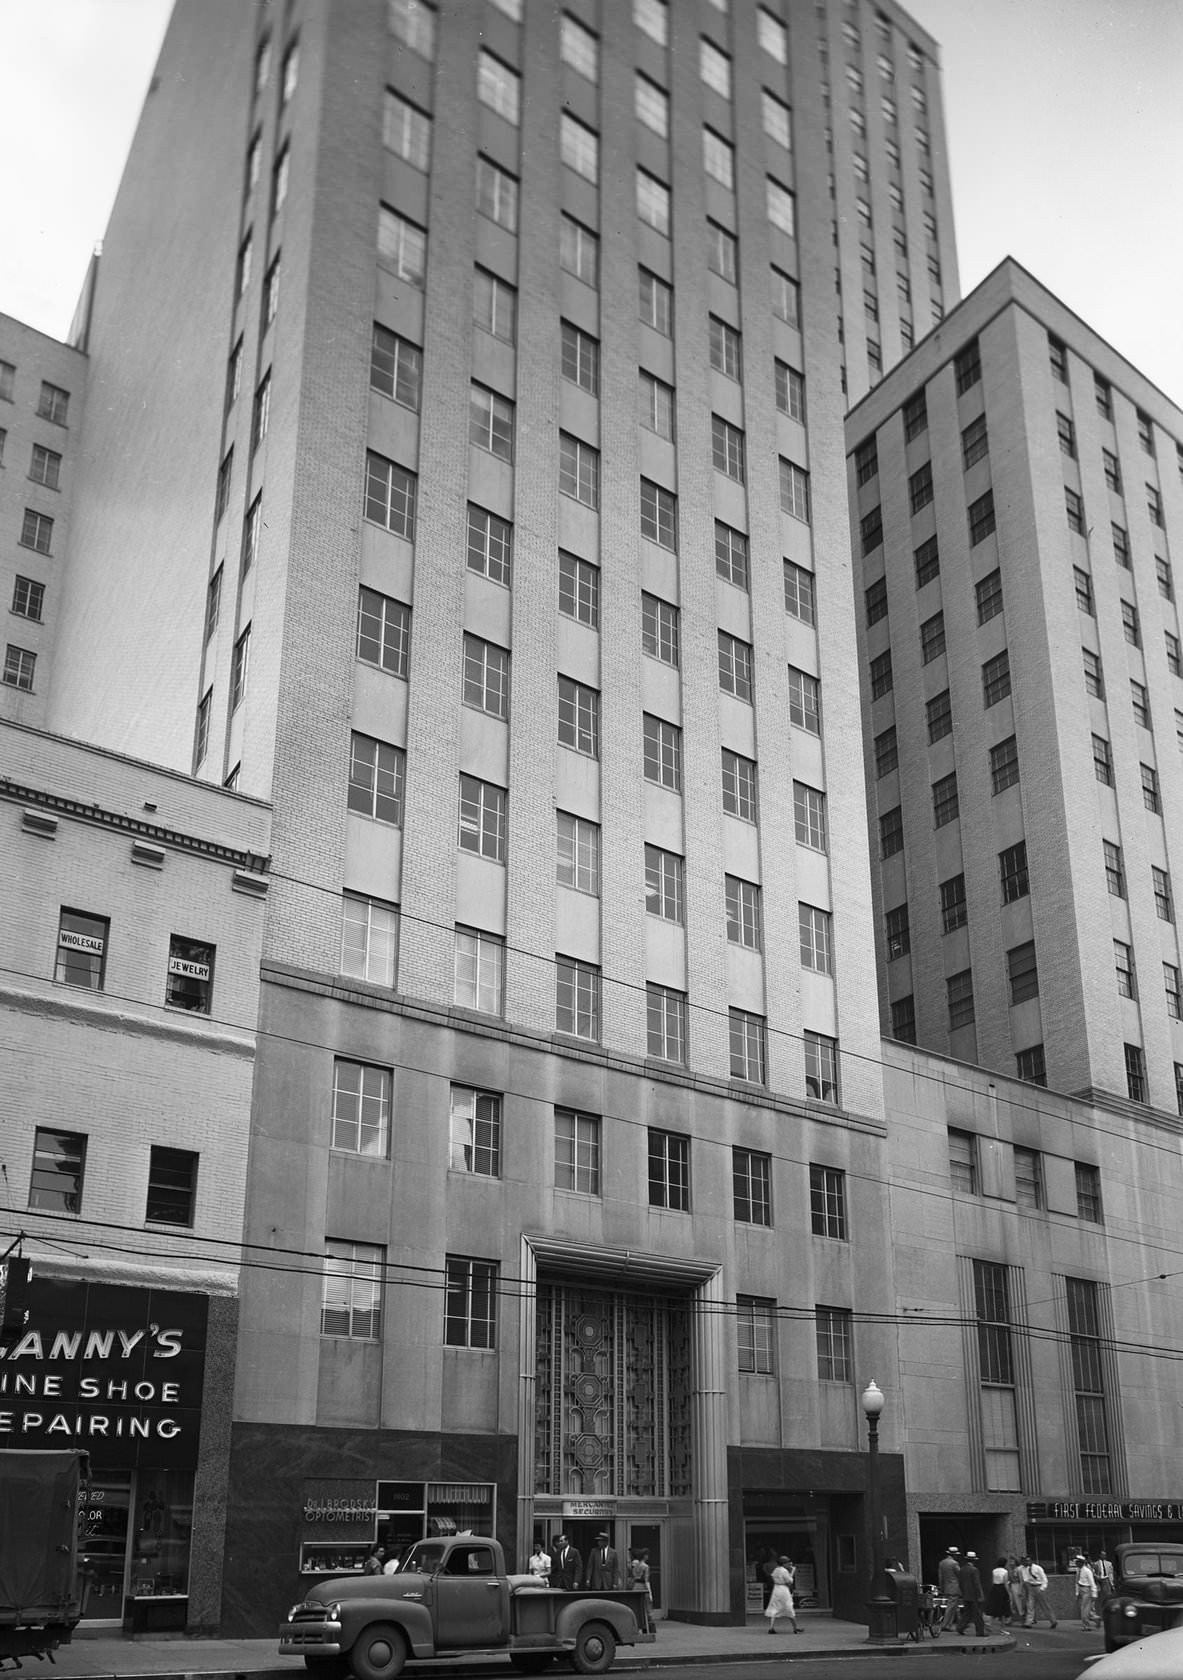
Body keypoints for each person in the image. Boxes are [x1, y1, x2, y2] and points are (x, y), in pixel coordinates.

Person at [764, 1556, 801, 1634]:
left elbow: (773, 1577)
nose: (789, 1564)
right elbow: (789, 1581)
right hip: (783, 1590)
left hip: (776, 1589)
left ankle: (771, 1627)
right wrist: (792, 1572)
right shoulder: (784, 1571)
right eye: (787, 1562)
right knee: (788, 1606)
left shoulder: (776, 1569)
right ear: (783, 1564)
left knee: (774, 1607)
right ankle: (795, 1627)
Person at [954, 1551, 985, 1637]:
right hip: (974, 1595)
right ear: (974, 1561)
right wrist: (980, 1595)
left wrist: (963, 1592)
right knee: (977, 1614)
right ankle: (980, 1631)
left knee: (967, 1613)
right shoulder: (974, 1570)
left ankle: (960, 1627)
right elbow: (977, 1584)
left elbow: (960, 1583)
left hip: (966, 1594)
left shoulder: (962, 1569)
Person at [1019, 1556, 1057, 1628]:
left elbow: (1044, 1579)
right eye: (1024, 1561)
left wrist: (1042, 1588)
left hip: (1038, 1586)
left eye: (1026, 1561)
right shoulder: (1023, 1569)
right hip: (1031, 1587)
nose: (1025, 1563)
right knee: (1030, 1605)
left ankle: (1053, 1621)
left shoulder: (1037, 1568)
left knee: (1045, 1605)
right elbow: (1025, 1579)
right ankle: (1028, 1622)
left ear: (1030, 1561)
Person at [629, 1549, 654, 1631]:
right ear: (645, 1556)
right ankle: (647, 1628)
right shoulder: (646, 1567)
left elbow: (633, 1577)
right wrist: (650, 1592)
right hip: (643, 1587)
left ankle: (635, 1627)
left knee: (637, 1607)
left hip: (635, 1587)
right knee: (646, 1608)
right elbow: (647, 1580)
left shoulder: (635, 1566)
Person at [937, 1547, 961, 1630]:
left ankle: (957, 1624)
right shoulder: (954, 1563)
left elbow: (940, 1577)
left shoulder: (942, 1563)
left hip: (946, 1587)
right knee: (951, 1607)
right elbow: (960, 1574)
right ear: (954, 1555)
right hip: (954, 1587)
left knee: (954, 1606)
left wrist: (941, 1587)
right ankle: (946, 1624)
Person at [1075, 1554, 1099, 1629]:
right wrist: (1077, 1592)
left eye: (1078, 1562)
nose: (1076, 1563)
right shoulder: (1078, 1570)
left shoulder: (1087, 1571)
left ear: (1081, 1563)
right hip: (1081, 1589)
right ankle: (1095, 1618)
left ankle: (1086, 1625)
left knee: (1084, 1608)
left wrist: (1094, 1593)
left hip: (1086, 1590)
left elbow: (1092, 1583)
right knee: (1084, 1608)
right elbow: (1077, 1581)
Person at [987, 1557, 1012, 1627]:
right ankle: (1003, 1627)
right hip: (1002, 1589)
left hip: (995, 1588)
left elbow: (992, 1581)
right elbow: (1005, 1583)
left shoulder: (994, 1571)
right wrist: (1009, 1593)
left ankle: (990, 1623)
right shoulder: (1005, 1571)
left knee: (994, 1606)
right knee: (1004, 1608)